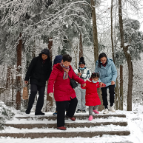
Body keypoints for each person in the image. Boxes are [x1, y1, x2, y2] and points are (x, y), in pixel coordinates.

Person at [48, 54, 86, 130]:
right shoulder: (56, 69)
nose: (67, 64)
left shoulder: (70, 68)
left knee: (74, 101)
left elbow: (74, 77)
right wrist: (50, 91)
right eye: (65, 63)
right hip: (60, 91)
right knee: (61, 107)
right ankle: (60, 124)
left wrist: (82, 81)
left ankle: (69, 114)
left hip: (69, 91)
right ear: (62, 61)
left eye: (68, 63)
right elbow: (51, 80)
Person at [25, 49, 52, 115]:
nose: (44, 57)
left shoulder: (49, 62)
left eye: (46, 56)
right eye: (43, 55)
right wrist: (26, 78)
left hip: (42, 81)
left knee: (42, 95)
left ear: (48, 56)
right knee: (33, 92)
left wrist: (46, 78)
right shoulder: (35, 60)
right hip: (34, 79)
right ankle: (28, 109)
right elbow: (30, 69)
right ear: (41, 55)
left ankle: (38, 111)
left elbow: (49, 72)